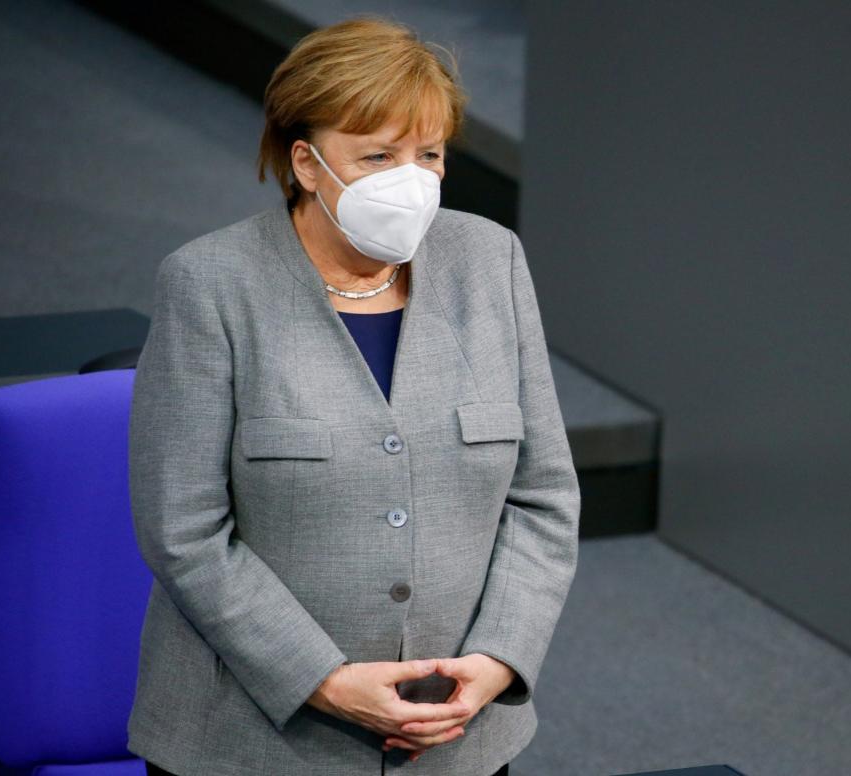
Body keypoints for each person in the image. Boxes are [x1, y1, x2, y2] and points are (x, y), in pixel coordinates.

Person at [125, 15, 580, 776]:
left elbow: (544, 499)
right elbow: (185, 532)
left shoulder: (491, 260)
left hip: (457, 741)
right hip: (252, 748)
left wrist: (499, 660)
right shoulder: (211, 286)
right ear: (306, 163)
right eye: (377, 156)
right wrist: (326, 682)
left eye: (428, 154)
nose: (412, 180)